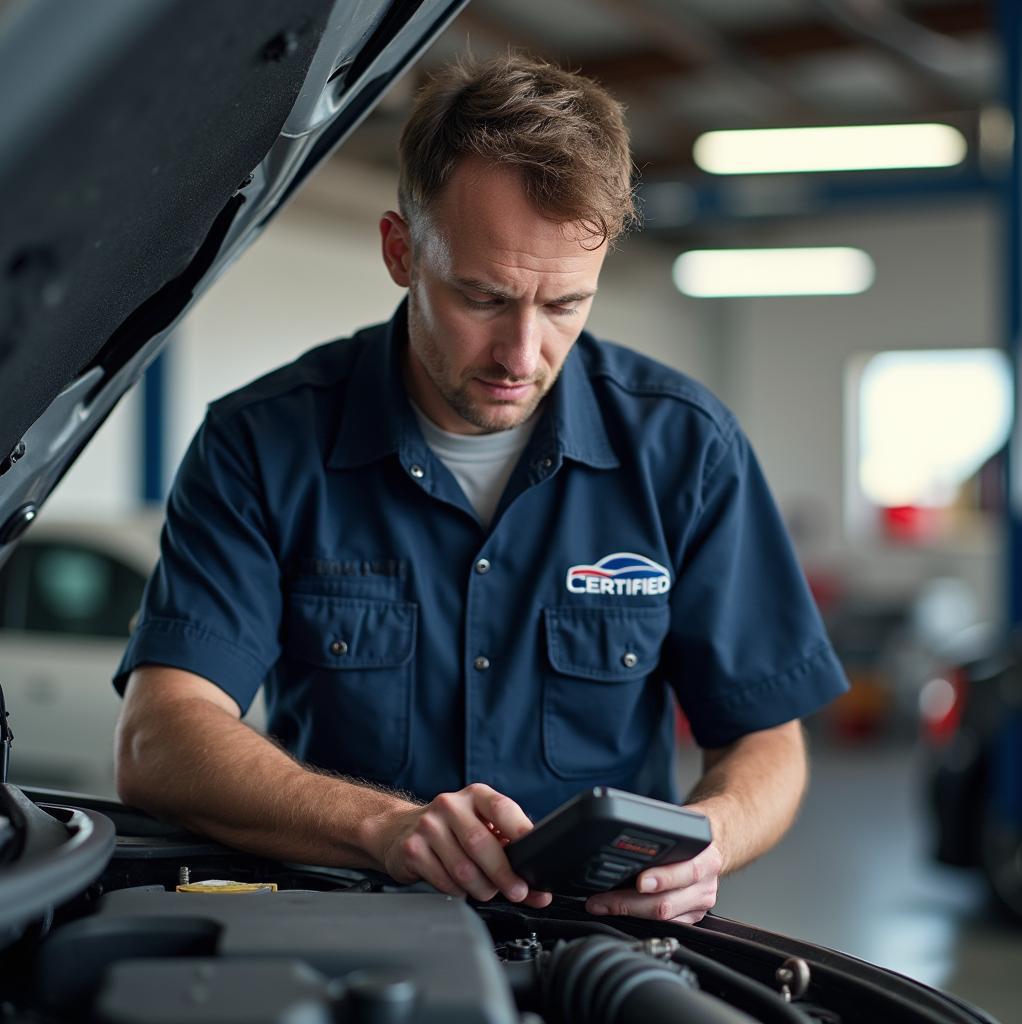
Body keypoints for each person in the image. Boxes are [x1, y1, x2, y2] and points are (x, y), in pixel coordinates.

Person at [114, 53, 848, 924]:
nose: (521, 353)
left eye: (566, 305)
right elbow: (160, 738)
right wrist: (384, 826)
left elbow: (767, 738)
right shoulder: (261, 444)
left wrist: (707, 839)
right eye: (484, 297)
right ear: (401, 251)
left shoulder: (686, 450)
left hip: (599, 950)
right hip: (346, 932)